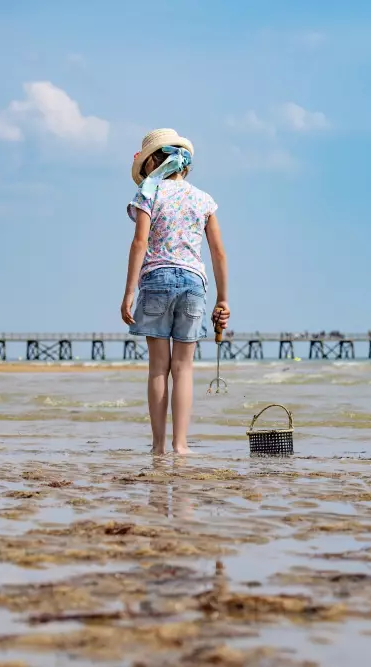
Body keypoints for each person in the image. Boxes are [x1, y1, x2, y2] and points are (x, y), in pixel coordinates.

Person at [120, 128, 230, 456]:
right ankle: (181, 445)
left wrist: (128, 292)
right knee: (183, 369)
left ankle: (157, 447)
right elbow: (218, 252)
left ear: (152, 162)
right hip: (194, 284)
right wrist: (223, 298)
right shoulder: (204, 199)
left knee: (158, 368)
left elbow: (140, 243)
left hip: (156, 280)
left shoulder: (148, 194)